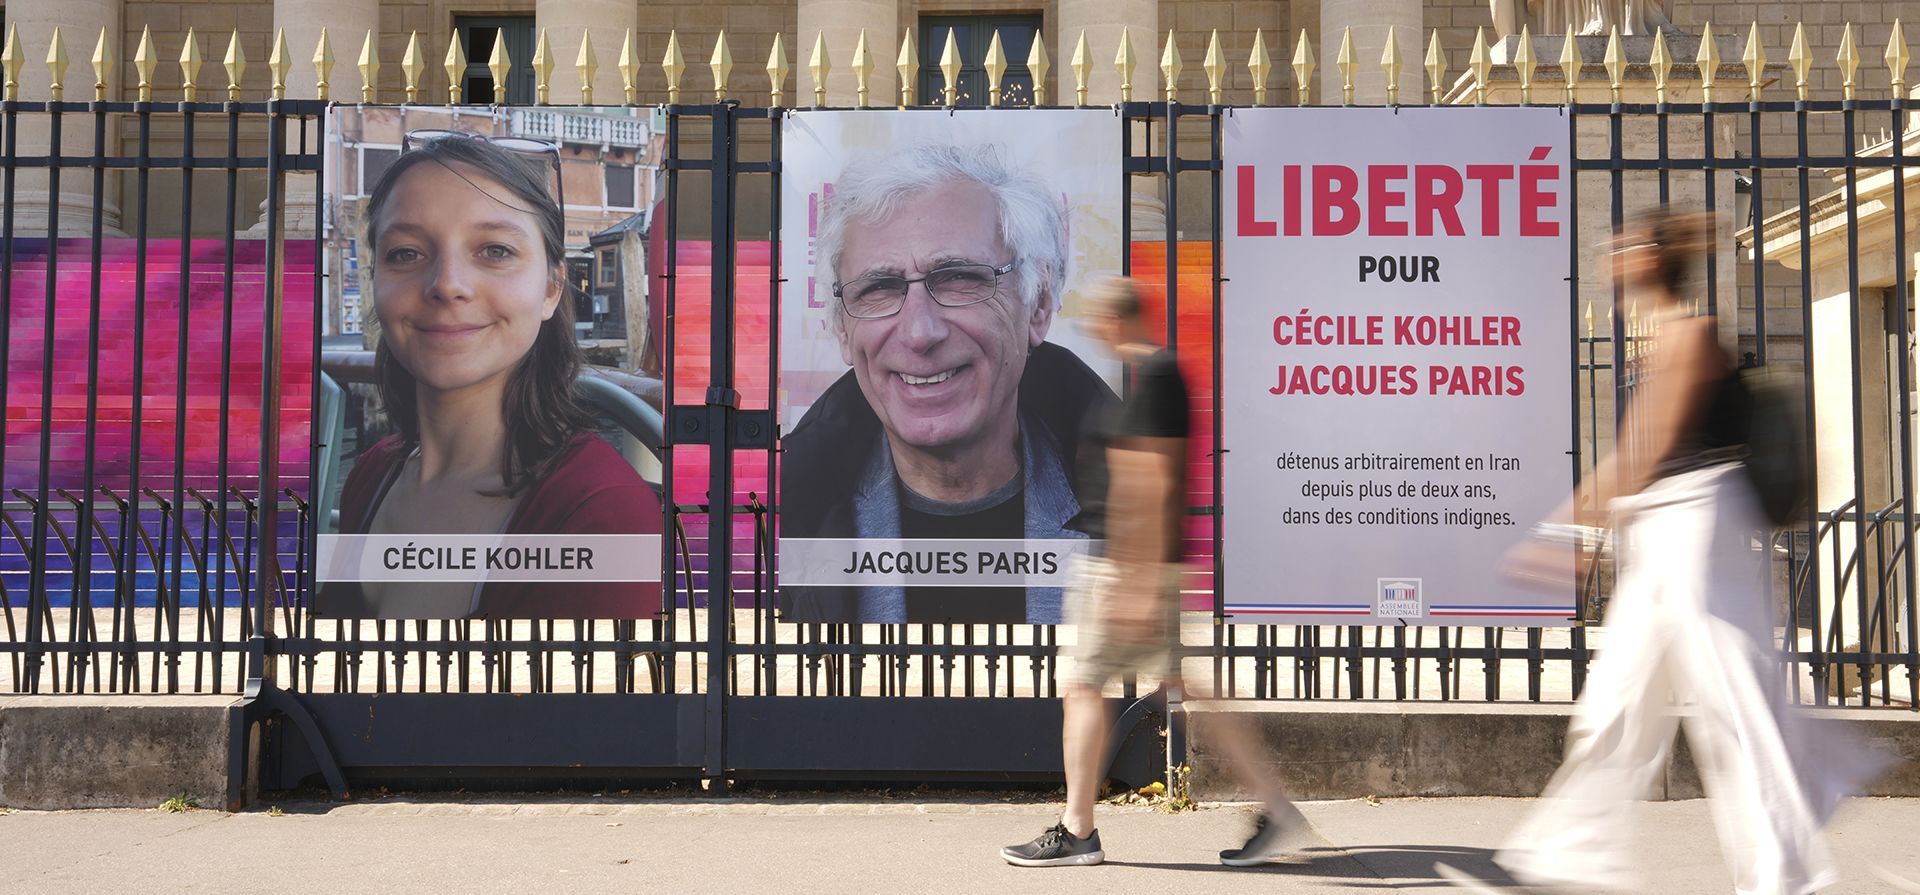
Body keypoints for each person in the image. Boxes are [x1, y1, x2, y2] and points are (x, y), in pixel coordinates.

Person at [1439, 209, 1880, 894]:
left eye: (1620, 249)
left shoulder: (1690, 336)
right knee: (1616, 704)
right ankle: (1566, 856)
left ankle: (1786, 875)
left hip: (1698, 527)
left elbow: (1644, 452)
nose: (1608, 260)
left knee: (1736, 708)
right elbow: (1639, 461)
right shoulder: (1667, 337)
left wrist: (1565, 533)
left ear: (1651, 258)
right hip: (1662, 530)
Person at [1000, 277, 1305, 869]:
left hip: (1126, 565)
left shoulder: (1159, 378)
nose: (1092, 330)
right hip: (1132, 562)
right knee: (1179, 687)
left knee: (1085, 688)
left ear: (1118, 321)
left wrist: (1136, 579)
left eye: (1098, 319)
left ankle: (1078, 829)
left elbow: (1155, 480)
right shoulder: (1150, 378)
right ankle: (1275, 806)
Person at [319, 134, 663, 620]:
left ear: (550, 289)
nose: (447, 284)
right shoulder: (371, 472)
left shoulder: (602, 517)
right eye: (405, 253)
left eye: (495, 250)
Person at [780, 143, 1117, 624]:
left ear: (1039, 304)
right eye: (879, 288)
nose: (920, 333)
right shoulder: (772, 530)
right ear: (841, 328)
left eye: (959, 278)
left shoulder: (1142, 512)